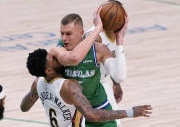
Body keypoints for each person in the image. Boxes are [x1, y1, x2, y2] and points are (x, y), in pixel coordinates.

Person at [20, 48, 152, 127]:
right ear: (48, 70)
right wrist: (130, 112)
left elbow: (24, 107)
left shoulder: (38, 83)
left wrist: (36, 91)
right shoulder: (68, 86)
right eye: (53, 58)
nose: (57, 56)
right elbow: (91, 115)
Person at [51, 6, 128, 126]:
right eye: (62, 34)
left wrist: (119, 40)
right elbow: (74, 58)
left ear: (81, 33)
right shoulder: (59, 49)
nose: (64, 38)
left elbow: (120, 76)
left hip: (98, 107)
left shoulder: (98, 49)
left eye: (68, 34)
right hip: (74, 113)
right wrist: (98, 28)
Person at [84, 0, 127, 127]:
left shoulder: (115, 33)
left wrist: (115, 83)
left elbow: (112, 65)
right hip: (89, 86)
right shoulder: (94, 37)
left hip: (101, 82)